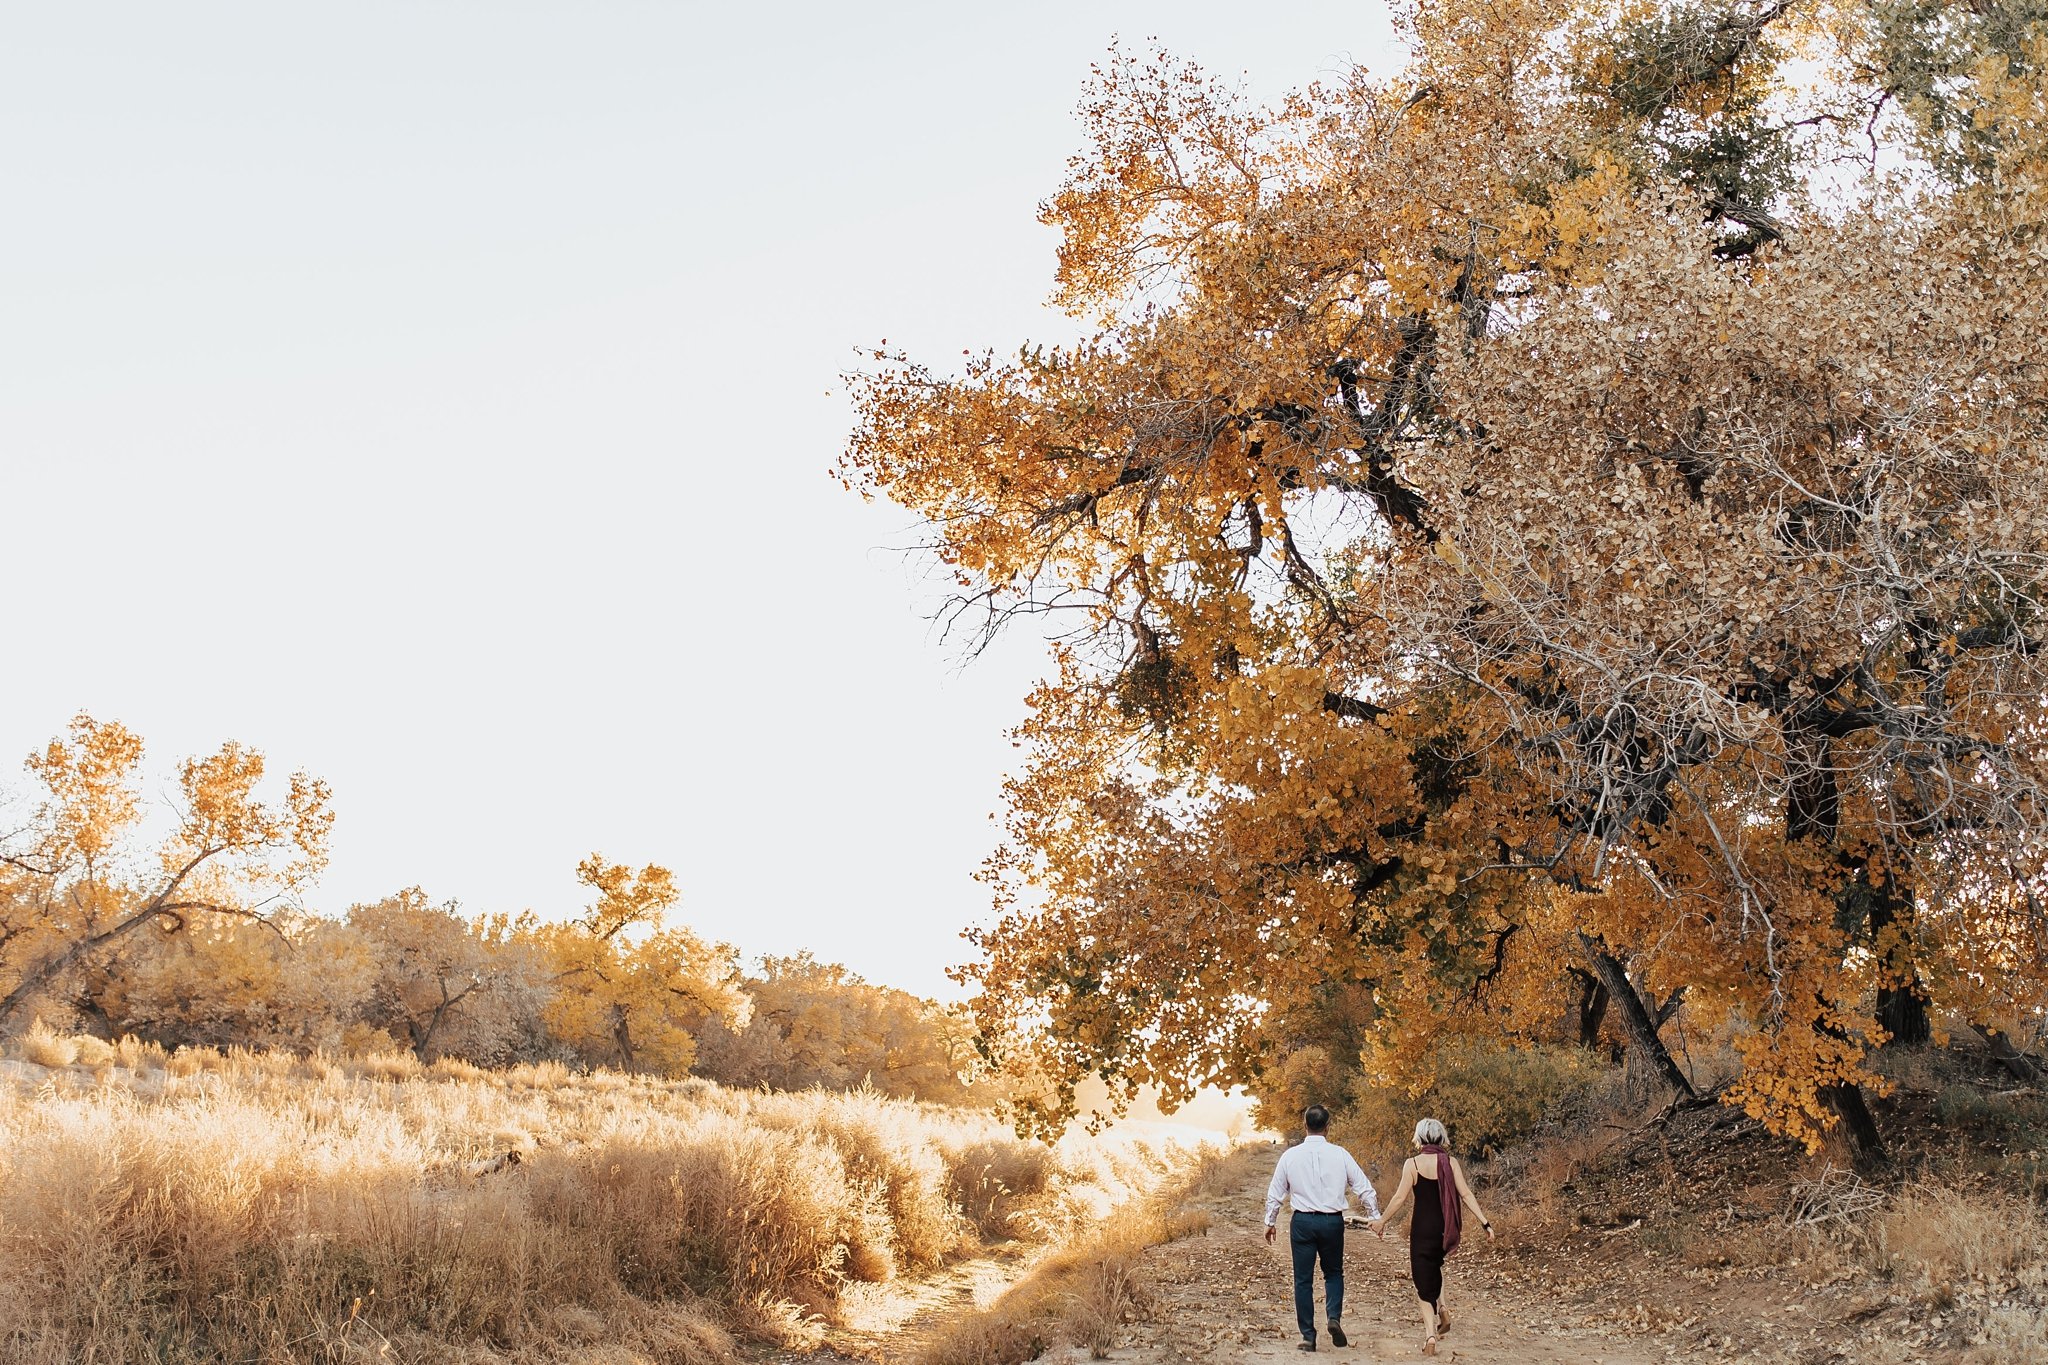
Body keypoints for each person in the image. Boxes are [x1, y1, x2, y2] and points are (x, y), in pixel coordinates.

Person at [1370, 1117, 1495, 1356]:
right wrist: (1485, 1223)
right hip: (1443, 1228)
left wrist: (1381, 1221)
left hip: (1421, 1230)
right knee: (1435, 1267)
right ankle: (1444, 1307)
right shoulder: (1450, 1162)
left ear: (1419, 1137)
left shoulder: (1412, 1164)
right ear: (1441, 1136)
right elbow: (1466, 1194)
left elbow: (1399, 1198)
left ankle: (1430, 1335)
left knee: (1422, 1284)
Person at [1263, 1104, 1380, 1352]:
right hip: (1332, 1223)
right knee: (1334, 1273)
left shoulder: (1290, 1156)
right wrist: (1374, 1216)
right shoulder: (1340, 1154)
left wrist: (1270, 1222)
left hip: (1303, 1222)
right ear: (1328, 1127)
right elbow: (1363, 1187)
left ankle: (1308, 1336)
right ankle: (1333, 1317)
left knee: (1302, 1280)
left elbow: (1276, 1193)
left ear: (1305, 1126)